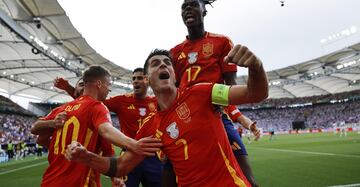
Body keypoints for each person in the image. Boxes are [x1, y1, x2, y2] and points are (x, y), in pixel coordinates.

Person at [65, 47, 268, 187]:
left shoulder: (204, 92)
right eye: (155, 64)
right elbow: (121, 166)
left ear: (174, 74)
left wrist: (256, 66)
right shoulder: (150, 126)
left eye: (167, 63)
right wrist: (86, 157)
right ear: (147, 78)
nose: (162, 66)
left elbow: (255, 93)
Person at [170, 0, 259, 186]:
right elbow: (173, 90)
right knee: (171, 172)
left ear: (204, 11)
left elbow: (231, 85)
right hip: (185, 119)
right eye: (184, 7)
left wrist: (223, 106)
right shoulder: (174, 53)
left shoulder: (221, 42)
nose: (188, 9)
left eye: (193, 5)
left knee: (248, 179)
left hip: (216, 115)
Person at [31, 65, 161, 187]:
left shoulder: (60, 110)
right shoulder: (97, 107)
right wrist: (134, 145)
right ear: (99, 84)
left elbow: (39, 138)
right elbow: (106, 131)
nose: (109, 90)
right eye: (108, 85)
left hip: (49, 181)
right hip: (82, 181)